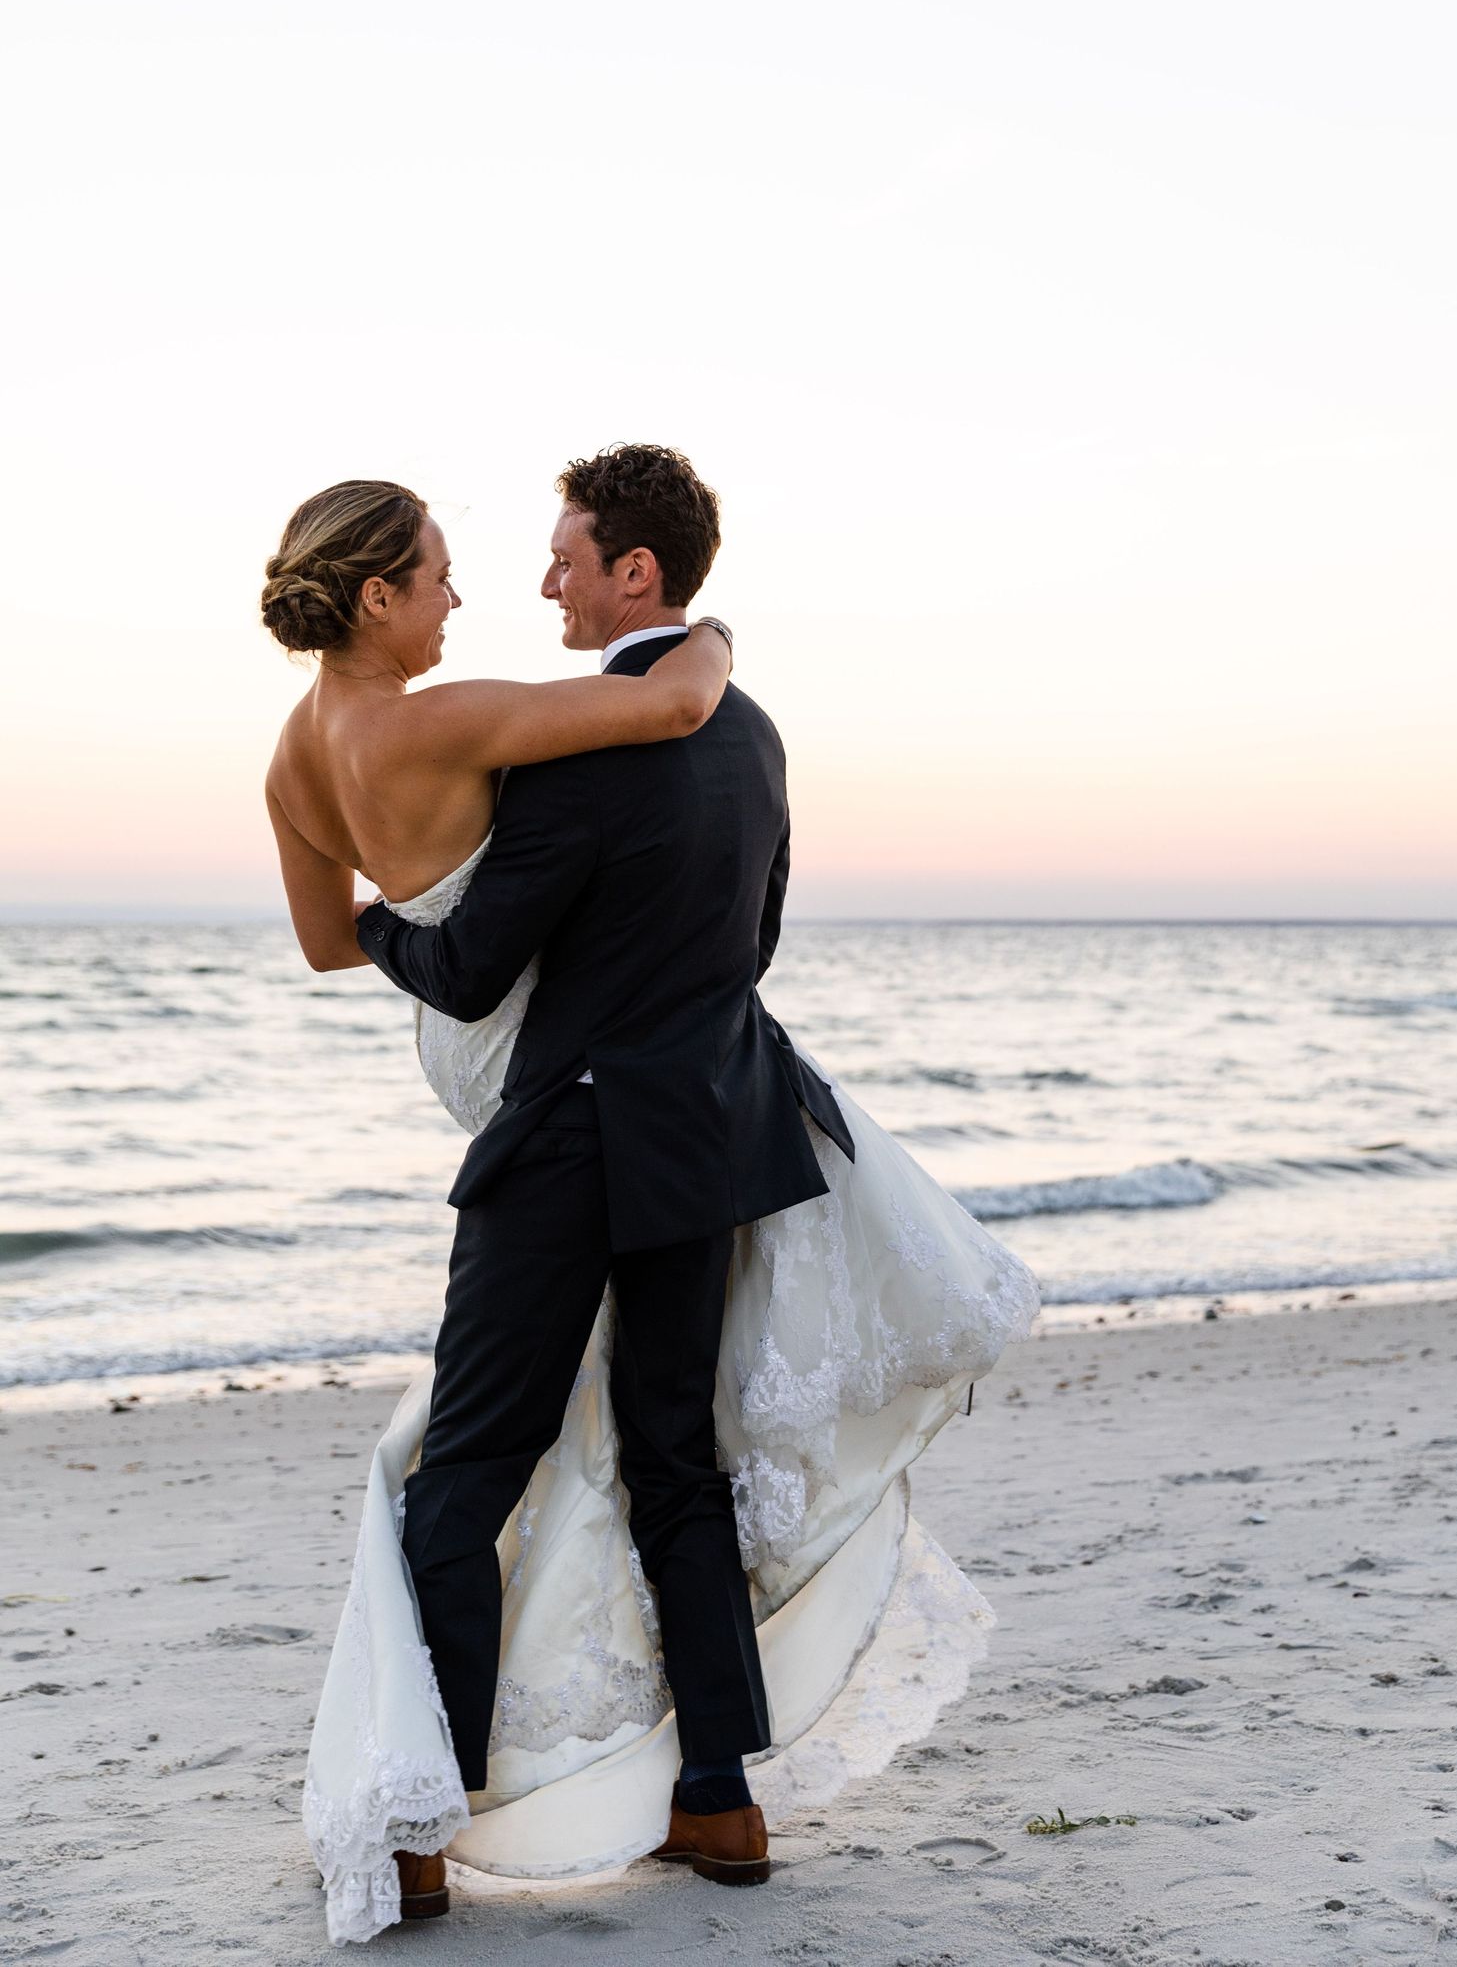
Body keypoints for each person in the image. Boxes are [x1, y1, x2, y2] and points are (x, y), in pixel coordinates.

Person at [266, 450, 1039, 1947]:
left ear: (632, 569)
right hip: (702, 1131)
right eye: (451, 568)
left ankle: (427, 1827)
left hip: (555, 1133)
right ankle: (720, 1794)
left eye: (560, 552)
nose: (515, 581)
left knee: (470, 1466)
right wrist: (719, 639)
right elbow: (749, 936)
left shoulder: (490, 750)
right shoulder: (748, 731)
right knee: (677, 1452)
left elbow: (429, 954)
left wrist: (398, 934)